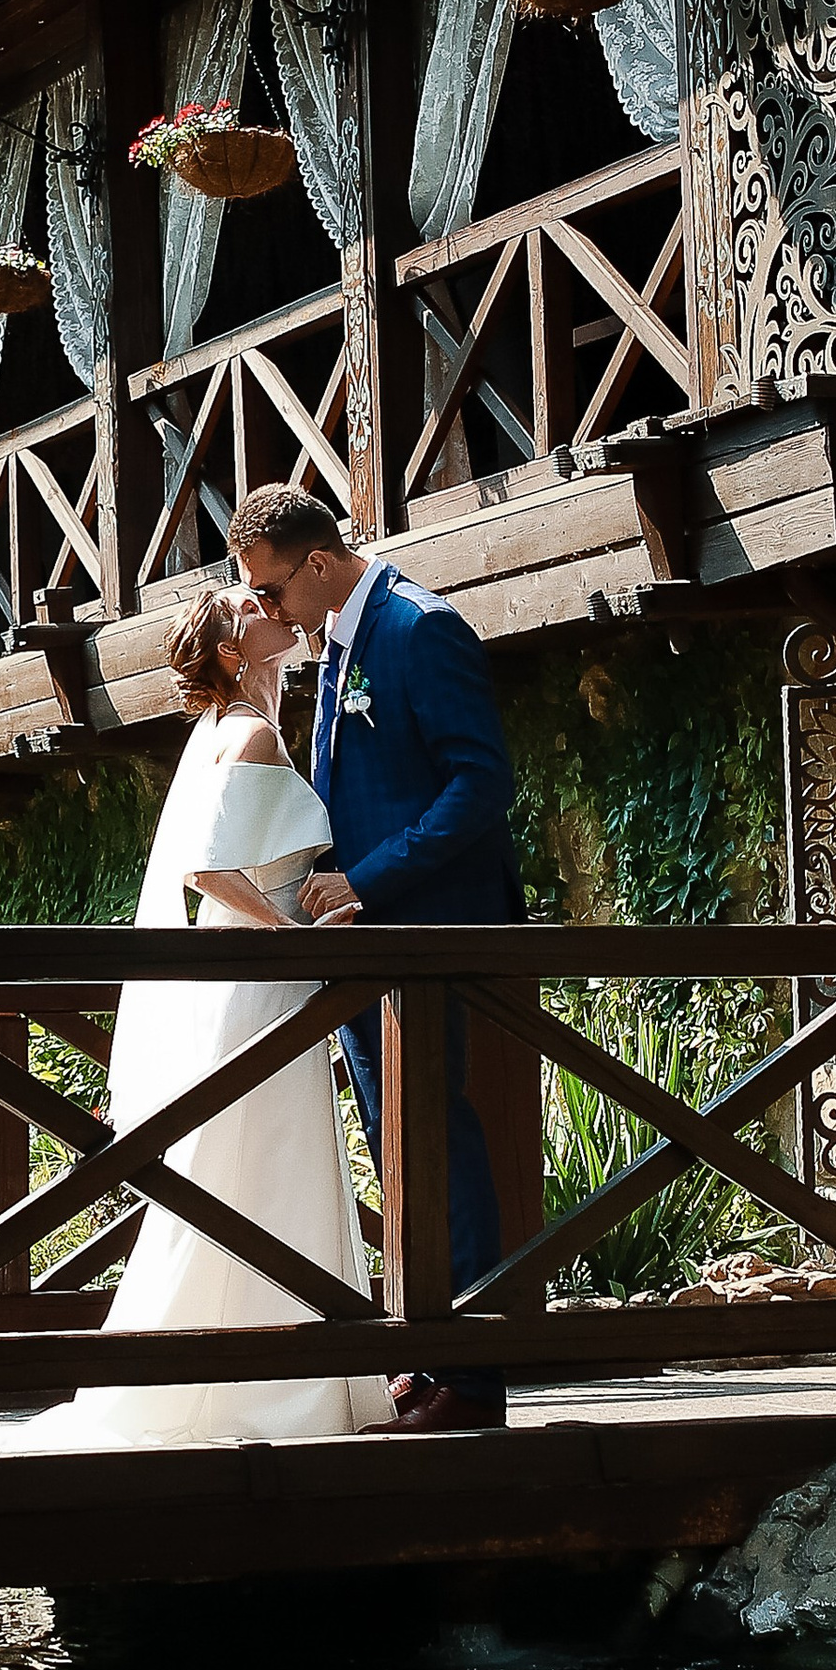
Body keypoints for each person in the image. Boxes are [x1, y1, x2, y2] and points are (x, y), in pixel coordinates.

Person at [0, 583, 392, 1454]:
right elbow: (210, 872)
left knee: (241, 1168)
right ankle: (280, 1384)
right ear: (228, 650)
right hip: (256, 989)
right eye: (252, 605)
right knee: (262, 1158)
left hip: (245, 986)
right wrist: (293, 930)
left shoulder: (221, 733)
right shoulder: (247, 733)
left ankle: (253, 1374)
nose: (274, 606)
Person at [227, 481, 522, 1434]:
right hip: (365, 944)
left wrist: (368, 882)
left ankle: (472, 1376)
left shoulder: (419, 628)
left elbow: (481, 783)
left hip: (424, 931)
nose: (269, 612)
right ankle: (426, 1351)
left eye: (271, 592)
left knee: (439, 1140)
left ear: (318, 563)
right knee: (397, 1148)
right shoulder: (338, 642)